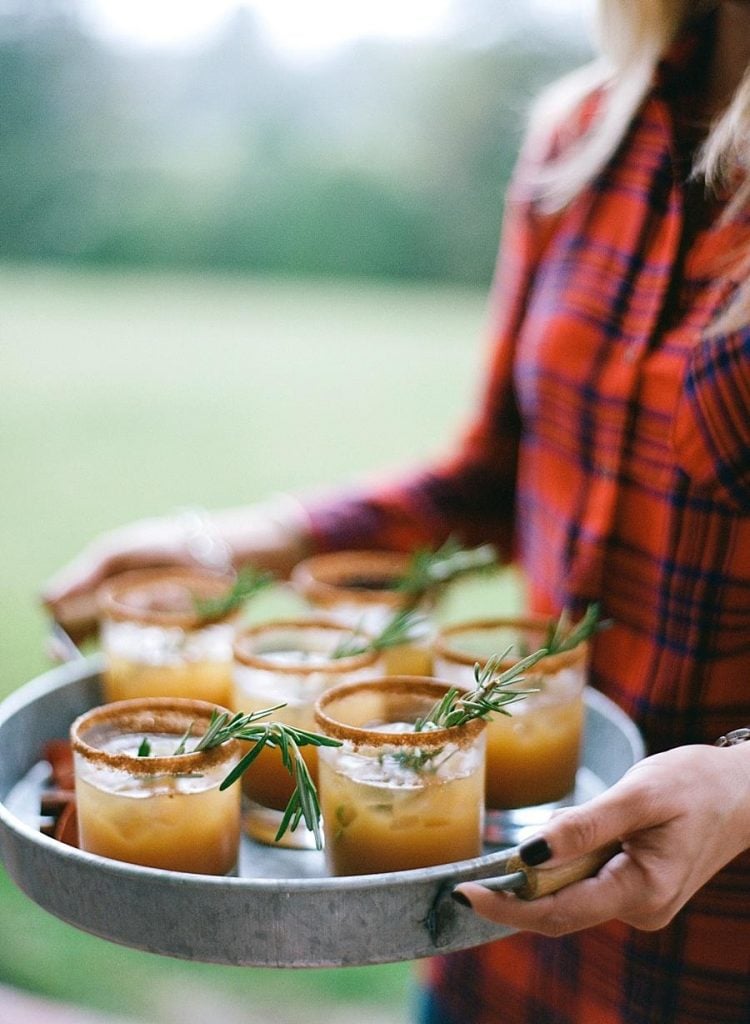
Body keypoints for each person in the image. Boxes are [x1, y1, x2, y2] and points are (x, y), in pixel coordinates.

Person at [43, 1, 750, 1021]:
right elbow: (491, 479)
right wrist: (241, 541)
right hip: (492, 935)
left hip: (716, 962)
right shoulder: (586, 134)